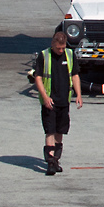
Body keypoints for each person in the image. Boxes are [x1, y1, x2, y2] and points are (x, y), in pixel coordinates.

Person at [33, 28, 83, 176]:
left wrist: (78, 94)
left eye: (63, 48)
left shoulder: (69, 55)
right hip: (50, 100)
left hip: (64, 100)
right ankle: (50, 163)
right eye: (58, 48)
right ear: (53, 44)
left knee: (60, 131)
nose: (61, 51)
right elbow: (38, 78)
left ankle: (56, 159)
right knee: (50, 131)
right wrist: (45, 97)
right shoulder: (44, 56)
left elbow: (74, 75)